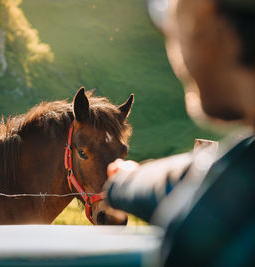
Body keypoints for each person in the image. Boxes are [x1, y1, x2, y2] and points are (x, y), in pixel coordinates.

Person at [104, 0, 255, 266]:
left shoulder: (214, 239)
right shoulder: (243, 166)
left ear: (203, 12)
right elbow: (193, 174)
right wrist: (127, 180)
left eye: (164, 10)